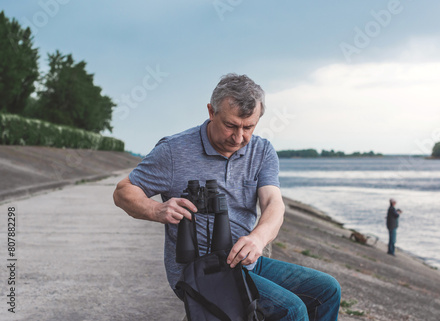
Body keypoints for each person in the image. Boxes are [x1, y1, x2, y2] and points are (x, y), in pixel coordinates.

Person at [113, 73, 341, 320]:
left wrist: (257, 239)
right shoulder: (173, 151)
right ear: (211, 112)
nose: (239, 137)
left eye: (249, 127)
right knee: (291, 309)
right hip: (199, 271)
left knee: (327, 289)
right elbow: (123, 191)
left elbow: (273, 203)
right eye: (231, 125)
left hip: (246, 264)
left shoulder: (261, 151)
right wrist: (156, 210)